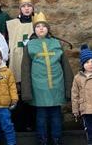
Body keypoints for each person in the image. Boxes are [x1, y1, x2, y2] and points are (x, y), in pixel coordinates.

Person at [21, 12, 74, 145]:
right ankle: (42, 140)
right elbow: (25, 69)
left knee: (56, 115)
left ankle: (56, 139)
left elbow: (66, 67)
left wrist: (69, 88)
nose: (41, 28)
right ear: (34, 30)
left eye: (43, 26)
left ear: (48, 28)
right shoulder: (30, 45)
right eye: (38, 26)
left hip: (56, 84)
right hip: (38, 86)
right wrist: (26, 91)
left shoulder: (56, 43)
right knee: (41, 116)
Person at [6, 0, 35, 132]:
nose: (27, 8)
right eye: (24, 6)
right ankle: (19, 124)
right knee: (18, 96)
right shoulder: (12, 24)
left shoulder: (38, 24)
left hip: (32, 65)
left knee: (31, 95)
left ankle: (31, 123)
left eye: (29, 6)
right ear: (20, 9)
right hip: (16, 63)